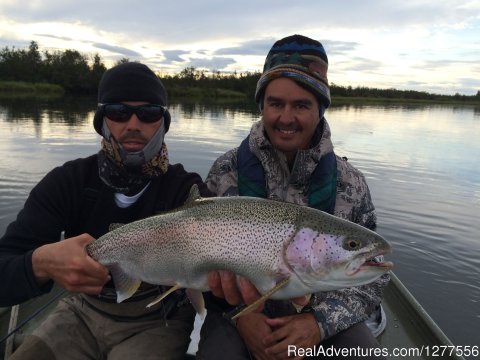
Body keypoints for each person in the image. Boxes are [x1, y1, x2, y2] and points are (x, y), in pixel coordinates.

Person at [197, 35, 389, 360]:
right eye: (276, 104)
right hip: (239, 315)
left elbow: (375, 278)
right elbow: (199, 261)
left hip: (323, 317)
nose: (286, 118)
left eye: (301, 105)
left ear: (320, 109)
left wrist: (318, 324)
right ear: (262, 105)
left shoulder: (351, 184)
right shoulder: (225, 171)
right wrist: (243, 317)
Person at [0, 62, 208, 359]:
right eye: (118, 112)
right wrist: (41, 263)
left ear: (162, 123)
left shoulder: (187, 190)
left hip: (159, 319)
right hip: (82, 311)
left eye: (148, 113)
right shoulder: (69, 182)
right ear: (101, 120)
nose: (133, 124)